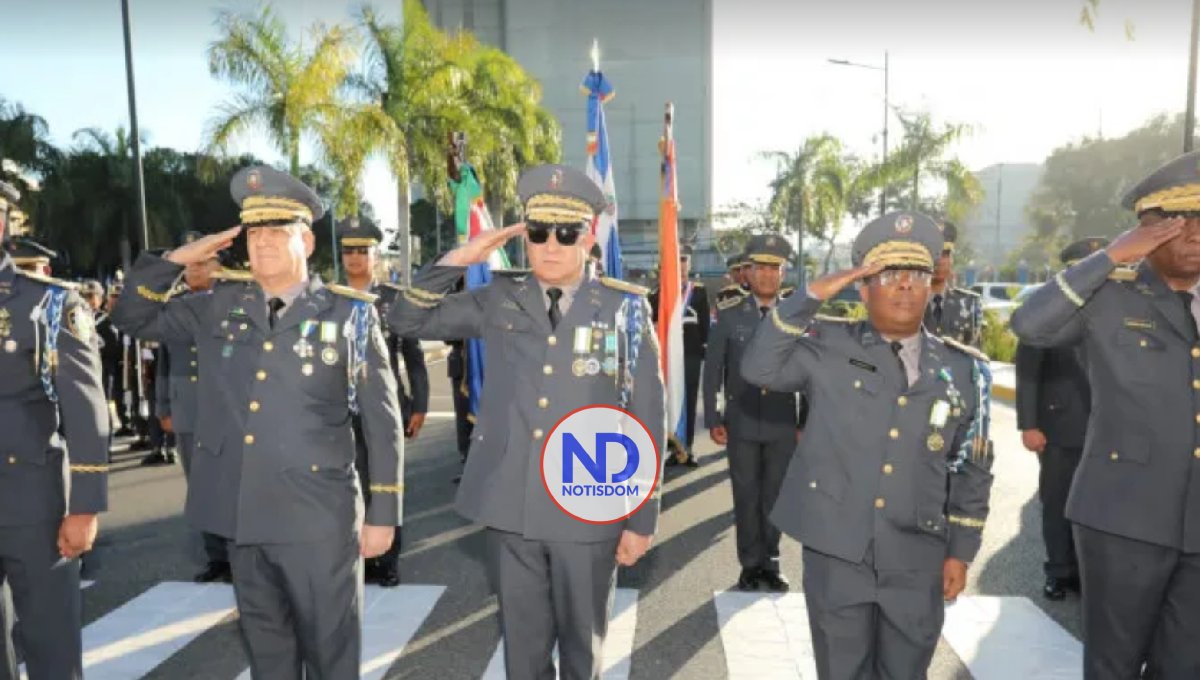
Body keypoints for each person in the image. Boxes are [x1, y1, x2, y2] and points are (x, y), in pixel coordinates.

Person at [111, 165, 403, 679]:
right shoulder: (216, 307)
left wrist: (384, 513)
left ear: (307, 241)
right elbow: (131, 317)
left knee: (332, 656)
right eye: (255, 232)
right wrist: (178, 261)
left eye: (278, 231)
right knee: (269, 658)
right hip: (244, 517)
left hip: (320, 520)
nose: (264, 243)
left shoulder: (347, 315)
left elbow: (382, 420)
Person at [390, 163, 665, 680]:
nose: (551, 245)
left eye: (565, 233)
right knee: (523, 655)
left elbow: (647, 415)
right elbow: (407, 319)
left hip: (589, 505)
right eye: (538, 233)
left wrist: (641, 515)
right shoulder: (499, 298)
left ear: (586, 236)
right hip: (512, 506)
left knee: (583, 655)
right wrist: (457, 260)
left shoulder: (625, 310)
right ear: (524, 238)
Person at [742, 211, 994, 679]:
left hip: (918, 555)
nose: (904, 286)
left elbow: (971, 467)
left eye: (916, 274)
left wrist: (961, 549)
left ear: (930, 284)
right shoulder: (827, 345)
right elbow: (759, 368)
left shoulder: (962, 370)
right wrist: (812, 294)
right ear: (862, 286)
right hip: (838, 551)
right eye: (888, 274)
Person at [1010, 150, 1200, 679]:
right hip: (1122, 519)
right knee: (1113, 665)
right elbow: (1031, 326)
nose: (1197, 234)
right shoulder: (1110, 297)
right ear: (1148, 230)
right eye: (1182, 222)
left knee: (1186, 665)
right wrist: (1110, 258)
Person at [0, 179, 109, 680]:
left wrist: (84, 506)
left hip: (32, 504)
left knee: (51, 648)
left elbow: (86, 411)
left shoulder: (47, 305)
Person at [703, 234, 803, 592]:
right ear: (749, 272)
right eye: (760, 268)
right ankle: (749, 566)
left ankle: (771, 563)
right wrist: (713, 418)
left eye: (774, 268)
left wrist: (804, 422)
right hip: (742, 419)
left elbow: (809, 374)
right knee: (745, 496)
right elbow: (713, 369)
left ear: (783, 273)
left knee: (776, 496)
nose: (766, 275)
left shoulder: (795, 315)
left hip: (781, 422)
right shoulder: (730, 314)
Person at [337, 216, 429, 587]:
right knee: (349, 483)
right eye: (348, 251)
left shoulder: (392, 301)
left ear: (376, 254)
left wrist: (420, 404)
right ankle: (356, 556)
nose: (355, 258)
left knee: (385, 482)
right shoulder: (330, 300)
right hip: (342, 411)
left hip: (385, 408)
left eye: (363, 250)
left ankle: (387, 561)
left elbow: (413, 356)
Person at [1015, 236, 1107, 602]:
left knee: (1098, 507)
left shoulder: (1118, 307)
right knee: (1057, 502)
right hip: (1059, 428)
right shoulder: (1051, 310)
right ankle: (1058, 571)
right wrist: (1029, 423)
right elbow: (1027, 370)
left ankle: (1086, 572)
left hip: (1108, 430)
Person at [153, 231, 231, 582]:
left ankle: (240, 554)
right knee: (200, 486)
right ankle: (216, 557)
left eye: (202, 263)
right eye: (190, 264)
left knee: (232, 483)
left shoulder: (238, 300)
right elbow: (164, 361)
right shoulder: (175, 305)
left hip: (227, 407)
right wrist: (162, 406)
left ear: (219, 265)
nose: (194, 270)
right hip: (187, 408)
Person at [649, 244, 709, 467]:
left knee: (689, 402)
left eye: (684, 271)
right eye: (677, 271)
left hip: (691, 356)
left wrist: (706, 351)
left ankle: (688, 448)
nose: (682, 275)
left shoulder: (699, 292)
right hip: (666, 358)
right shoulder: (656, 295)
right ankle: (671, 448)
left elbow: (705, 326)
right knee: (667, 402)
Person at [923, 221, 983, 347]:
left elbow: (974, 355)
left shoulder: (969, 303)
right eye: (933, 254)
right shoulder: (909, 302)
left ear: (951, 259)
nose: (939, 261)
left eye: (945, 254)